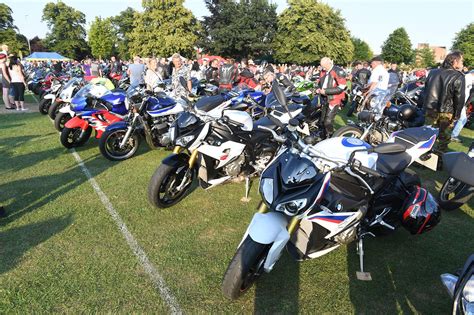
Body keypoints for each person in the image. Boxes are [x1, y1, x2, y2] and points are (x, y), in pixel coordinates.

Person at [423, 51, 465, 154]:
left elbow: (426, 90)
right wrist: (457, 114)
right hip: (446, 111)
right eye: (461, 61)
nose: (462, 63)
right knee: (443, 138)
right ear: (455, 61)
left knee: (427, 135)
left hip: (430, 109)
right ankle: (438, 161)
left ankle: (423, 157)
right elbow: (459, 98)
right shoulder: (458, 76)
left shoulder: (433, 72)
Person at [315, 57, 347, 138]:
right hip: (324, 99)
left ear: (329, 63)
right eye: (322, 66)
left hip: (334, 99)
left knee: (328, 122)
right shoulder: (323, 71)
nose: (323, 68)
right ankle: (323, 136)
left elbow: (342, 87)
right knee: (322, 120)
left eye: (324, 66)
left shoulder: (338, 71)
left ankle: (331, 136)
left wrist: (326, 91)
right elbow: (320, 82)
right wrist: (318, 88)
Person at [451, 71, 473, 142]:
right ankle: (453, 135)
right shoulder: (467, 78)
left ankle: (452, 134)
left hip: (461, 102)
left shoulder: (469, 78)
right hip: (459, 101)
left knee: (459, 118)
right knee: (462, 118)